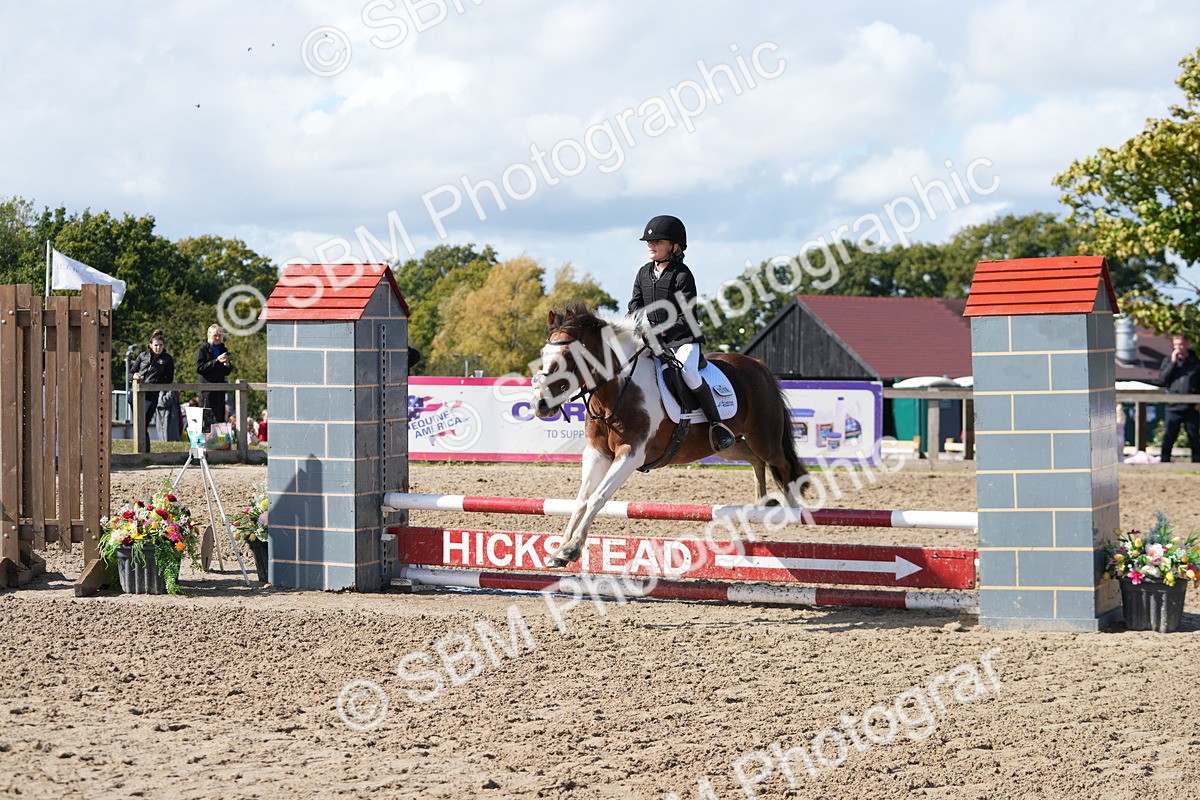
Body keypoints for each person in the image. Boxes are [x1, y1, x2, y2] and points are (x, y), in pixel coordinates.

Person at [628, 214, 734, 450]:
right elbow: (634, 306)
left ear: (674, 247)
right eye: (649, 242)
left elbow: (687, 318)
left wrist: (662, 332)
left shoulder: (682, 275)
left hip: (683, 338)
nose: (651, 245)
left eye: (657, 242)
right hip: (653, 339)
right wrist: (637, 327)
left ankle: (717, 426)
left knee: (689, 373)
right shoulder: (643, 273)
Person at [130, 329, 179, 449]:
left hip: (152, 395)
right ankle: (142, 449)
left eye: (161, 345)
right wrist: (135, 376)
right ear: (150, 345)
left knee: (144, 423)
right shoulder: (142, 356)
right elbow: (130, 373)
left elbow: (169, 379)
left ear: (164, 346)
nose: (158, 347)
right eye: (156, 345)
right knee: (138, 423)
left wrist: (156, 381)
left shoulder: (167, 359)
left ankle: (144, 450)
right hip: (135, 393)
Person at [1158, 333, 1200, 462]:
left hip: (1192, 406)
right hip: (1173, 405)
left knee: (1194, 437)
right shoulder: (1168, 361)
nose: (1178, 347)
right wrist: (1172, 362)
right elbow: (1162, 380)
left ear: (1187, 344)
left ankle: (1197, 463)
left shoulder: (1196, 362)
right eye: (1175, 344)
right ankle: (1164, 462)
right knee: (1169, 436)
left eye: (1180, 344)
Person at [195, 324, 234, 427]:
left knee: (219, 419)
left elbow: (227, 372)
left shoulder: (223, 349)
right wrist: (217, 361)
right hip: (207, 390)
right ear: (209, 336)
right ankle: (206, 441)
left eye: (219, 336)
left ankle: (218, 442)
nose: (217, 338)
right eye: (215, 335)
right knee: (207, 419)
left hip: (220, 390)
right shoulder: (202, 349)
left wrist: (227, 364)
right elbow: (200, 368)